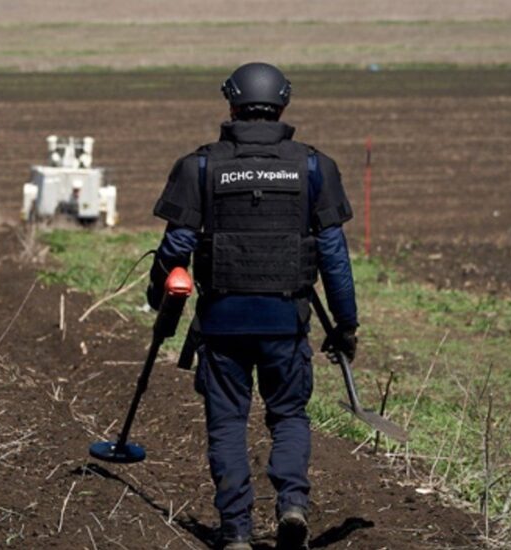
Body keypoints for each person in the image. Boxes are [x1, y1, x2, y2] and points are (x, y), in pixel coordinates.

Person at [147, 63, 358, 550]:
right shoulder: (313, 167)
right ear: (283, 104)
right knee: (288, 416)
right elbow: (333, 257)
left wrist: (157, 297)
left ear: (231, 104)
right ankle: (292, 506)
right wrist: (345, 324)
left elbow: (176, 246)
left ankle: (237, 532)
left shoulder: (199, 166)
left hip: (221, 323)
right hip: (286, 321)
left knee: (226, 423)